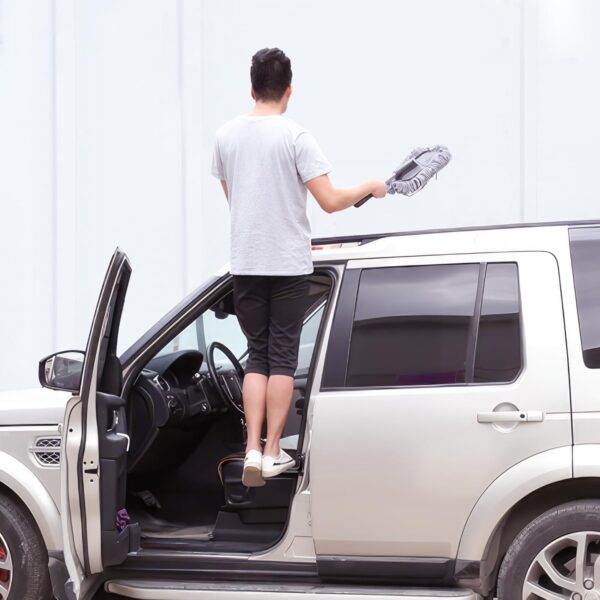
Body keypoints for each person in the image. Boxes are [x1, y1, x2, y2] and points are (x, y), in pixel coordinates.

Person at [212, 47, 387, 487]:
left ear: (251, 87)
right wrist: (369, 187)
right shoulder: (296, 137)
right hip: (288, 261)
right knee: (283, 358)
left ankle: (251, 446)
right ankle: (273, 450)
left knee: (257, 355)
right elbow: (329, 202)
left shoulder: (226, 136)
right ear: (288, 91)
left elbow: (234, 198)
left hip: (246, 262)